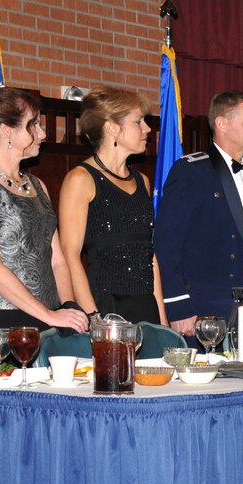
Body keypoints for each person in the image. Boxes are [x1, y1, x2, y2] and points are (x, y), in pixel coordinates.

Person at [155, 90, 243, 338]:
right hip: (203, 309)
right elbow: (167, 244)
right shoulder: (192, 171)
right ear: (221, 124)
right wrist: (178, 306)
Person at [0, 87, 88, 333]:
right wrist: (50, 315)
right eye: (34, 125)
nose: (42, 133)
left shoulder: (37, 185)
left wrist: (68, 306)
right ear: (7, 130)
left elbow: (57, 258)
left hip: (50, 319)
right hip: (4, 325)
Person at [58, 85, 167, 325]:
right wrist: (93, 318)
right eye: (139, 121)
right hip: (105, 306)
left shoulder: (143, 181)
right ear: (112, 128)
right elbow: (70, 255)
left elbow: (149, 255)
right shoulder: (80, 179)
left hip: (145, 307)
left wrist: (162, 319)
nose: (148, 129)